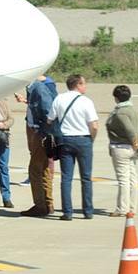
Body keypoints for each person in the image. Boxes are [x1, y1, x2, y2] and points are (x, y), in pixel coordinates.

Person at [49, 74, 101, 221]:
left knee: (66, 178)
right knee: (86, 177)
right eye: (84, 83)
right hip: (83, 139)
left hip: (65, 140)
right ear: (78, 84)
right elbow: (94, 125)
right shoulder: (86, 102)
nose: (85, 86)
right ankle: (88, 211)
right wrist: (92, 138)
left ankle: (67, 212)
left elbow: (50, 118)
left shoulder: (59, 99)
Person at [20, 73, 58, 216]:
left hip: (41, 134)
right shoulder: (36, 88)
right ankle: (48, 203)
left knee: (35, 170)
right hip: (43, 133)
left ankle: (40, 205)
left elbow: (48, 111)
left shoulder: (38, 89)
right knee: (44, 169)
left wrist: (43, 132)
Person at [106, 85, 138, 217]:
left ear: (116, 98)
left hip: (121, 147)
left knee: (123, 179)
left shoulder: (120, 113)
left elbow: (129, 130)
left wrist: (134, 141)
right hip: (131, 148)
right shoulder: (131, 109)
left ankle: (122, 208)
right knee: (132, 178)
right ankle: (132, 208)